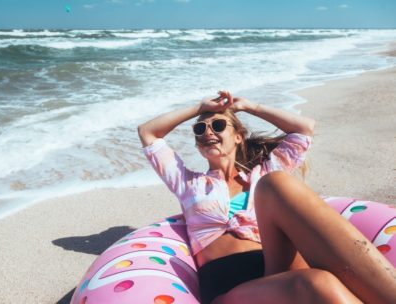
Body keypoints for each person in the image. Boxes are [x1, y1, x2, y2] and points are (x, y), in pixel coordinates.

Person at [137, 91, 396, 304]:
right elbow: (148, 132)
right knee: (317, 282)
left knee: (275, 183)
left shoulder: (264, 175)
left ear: (238, 136)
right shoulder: (188, 183)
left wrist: (250, 106)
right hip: (230, 287)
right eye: (200, 129)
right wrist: (199, 108)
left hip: (274, 267)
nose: (207, 132)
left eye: (217, 125)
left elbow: (304, 128)